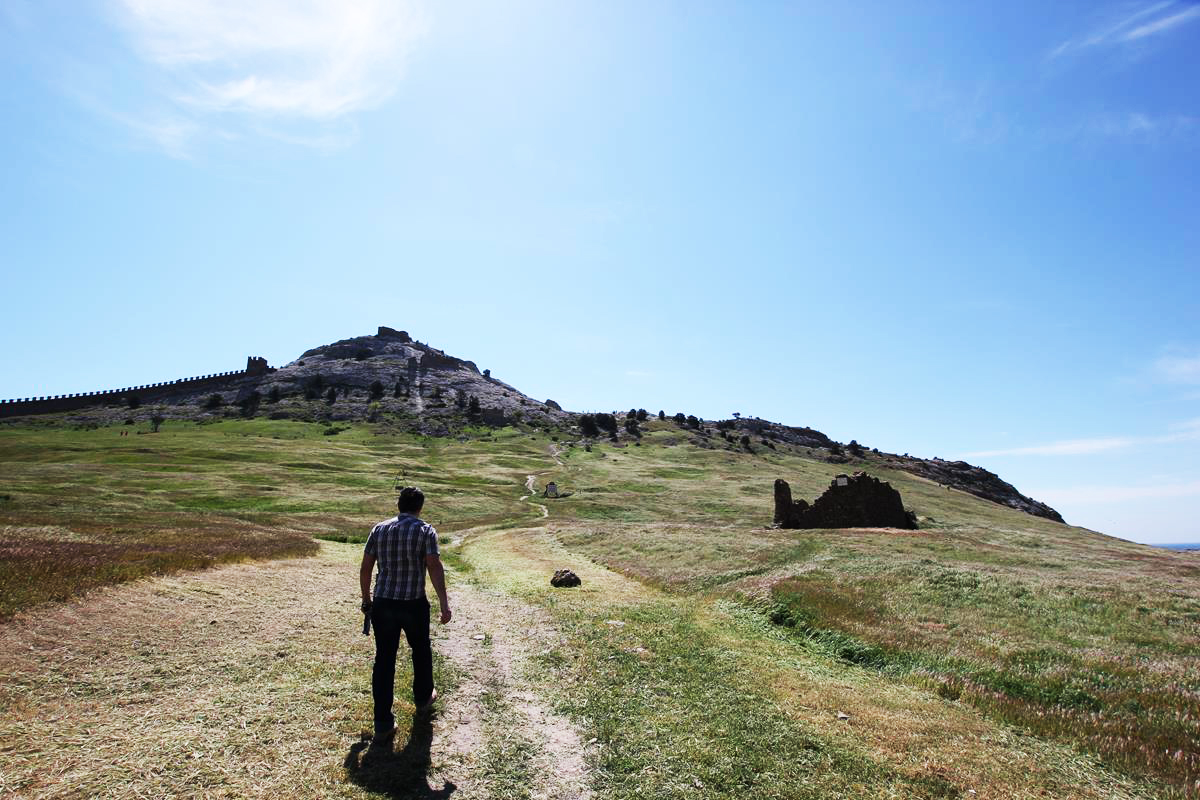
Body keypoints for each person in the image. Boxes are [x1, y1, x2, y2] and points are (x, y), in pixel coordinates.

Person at [359, 486, 452, 740]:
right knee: (421, 651)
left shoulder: (379, 529)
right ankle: (423, 699)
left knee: (384, 660)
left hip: (384, 603)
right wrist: (444, 603)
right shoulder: (425, 530)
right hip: (413, 603)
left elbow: (366, 567)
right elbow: (433, 566)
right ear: (419, 507)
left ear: (399, 504)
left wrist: (367, 599)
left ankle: (382, 723)